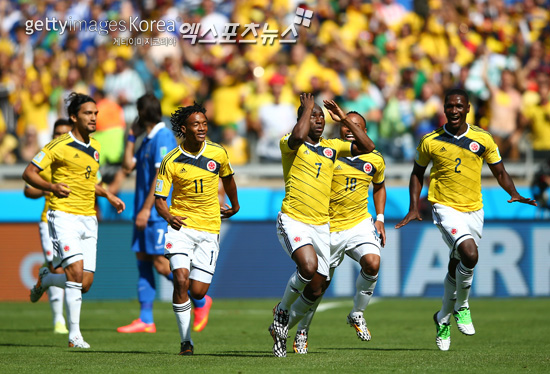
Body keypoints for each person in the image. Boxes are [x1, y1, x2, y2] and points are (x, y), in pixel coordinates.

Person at [395, 88, 537, 351]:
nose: (454, 110)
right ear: (444, 109)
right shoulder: (431, 140)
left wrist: (515, 193)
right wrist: (414, 207)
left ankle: (442, 319)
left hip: (474, 209)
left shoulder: (482, 139)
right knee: (469, 254)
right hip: (444, 206)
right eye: (450, 106)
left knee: (456, 264)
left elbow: (500, 171)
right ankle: (462, 305)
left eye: (459, 106)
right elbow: (417, 173)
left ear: (468, 108)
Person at [270, 94, 375, 357]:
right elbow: (297, 136)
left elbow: (368, 147)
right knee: (307, 267)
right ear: (302, 119)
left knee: (317, 287)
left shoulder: (332, 147)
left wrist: (345, 121)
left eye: (321, 116)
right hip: (293, 219)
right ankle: (282, 311)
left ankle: (282, 328)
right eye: (312, 116)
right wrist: (306, 109)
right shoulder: (290, 144)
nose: (318, 120)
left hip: (321, 226)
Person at [23, 92, 125, 349]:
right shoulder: (57, 146)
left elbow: (90, 182)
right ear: (74, 117)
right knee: (76, 273)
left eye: (95, 114)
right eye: (88, 113)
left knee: (85, 284)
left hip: (88, 218)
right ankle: (74, 335)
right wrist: (51, 186)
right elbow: (28, 173)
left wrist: (109, 195)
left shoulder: (96, 147)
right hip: (63, 215)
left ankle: (46, 279)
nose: (93, 118)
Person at [290, 111, 387, 354]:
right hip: (328, 225)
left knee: (373, 263)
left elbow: (379, 185)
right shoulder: (329, 153)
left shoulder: (374, 159)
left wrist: (381, 218)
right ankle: (302, 330)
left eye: (356, 126)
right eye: (346, 125)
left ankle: (357, 313)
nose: (349, 129)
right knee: (318, 287)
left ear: (364, 130)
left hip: (358, 223)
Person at [117, 94, 213, 334]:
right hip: (142, 210)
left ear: (141, 112)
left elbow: (160, 179)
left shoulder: (162, 137)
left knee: (161, 264)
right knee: (142, 260)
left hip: (154, 212)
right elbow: (128, 165)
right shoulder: (147, 138)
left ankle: (201, 301)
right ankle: (146, 318)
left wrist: (148, 208)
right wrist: (131, 136)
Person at [154, 102, 240, 356]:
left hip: (210, 228)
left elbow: (228, 178)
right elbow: (160, 199)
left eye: (204, 123)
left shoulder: (218, 152)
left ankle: (198, 305)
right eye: (196, 124)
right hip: (181, 228)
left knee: (197, 290)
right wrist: (169, 216)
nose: (202, 128)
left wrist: (235, 205)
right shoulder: (170, 161)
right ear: (184, 129)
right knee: (180, 280)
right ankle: (186, 341)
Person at [23, 118, 73, 334]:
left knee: (72, 269)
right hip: (49, 220)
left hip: (74, 220)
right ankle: (59, 321)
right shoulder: (46, 157)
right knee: (58, 267)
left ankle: (44, 278)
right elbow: (27, 189)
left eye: (65, 133)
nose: (60, 137)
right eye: (57, 133)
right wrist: (48, 189)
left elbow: (95, 184)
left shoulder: (78, 157)